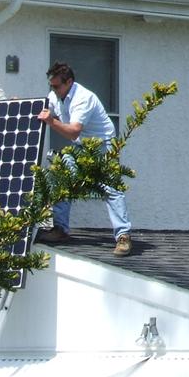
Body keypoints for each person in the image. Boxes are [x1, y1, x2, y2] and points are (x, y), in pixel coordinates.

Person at [35, 62, 133, 255]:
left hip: (103, 145)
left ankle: (123, 236)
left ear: (69, 82)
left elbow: (73, 131)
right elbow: (47, 113)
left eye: (57, 86)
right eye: (51, 86)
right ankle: (60, 230)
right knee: (62, 176)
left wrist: (51, 121)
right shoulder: (55, 96)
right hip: (80, 146)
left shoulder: (83, 98)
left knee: (110, 188)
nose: (53, 90)